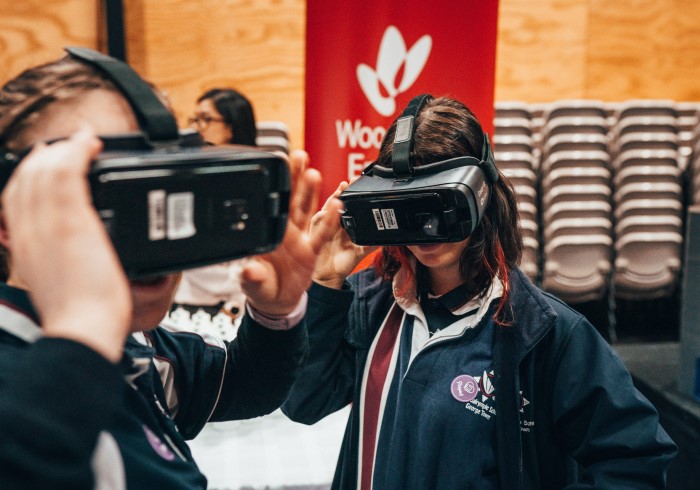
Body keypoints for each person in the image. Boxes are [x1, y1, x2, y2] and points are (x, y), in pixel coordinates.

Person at [282, 95, 677, 489]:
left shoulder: (544, 332)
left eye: (438, 205)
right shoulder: (370, 302)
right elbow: (305, 402)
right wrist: (324, 286)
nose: (424, 230)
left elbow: (635, 459)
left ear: (480, 195)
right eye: (408, 206)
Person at [0, 54, 341, 489]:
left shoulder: (136, 344)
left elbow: (244, 383)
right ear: (9, 219)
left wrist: (277, 313)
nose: (149, 229)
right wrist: (83, 334)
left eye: (157, 185)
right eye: (104, 191)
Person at [172, 88, 261, 327]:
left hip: (225, 310)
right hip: (178, 304)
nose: (195, 128)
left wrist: (236, 305)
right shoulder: (184, 174)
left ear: (231, 127)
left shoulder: (255, 180)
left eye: (205, 119)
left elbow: (256, 255)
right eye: (194, 119)